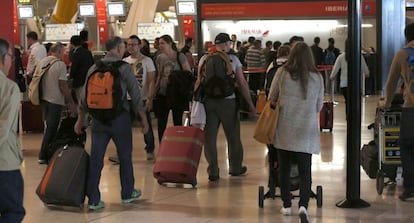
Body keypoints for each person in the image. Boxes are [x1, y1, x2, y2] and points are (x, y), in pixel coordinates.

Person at [74, 36, 149, 210]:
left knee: (96, 159)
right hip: (119, 119)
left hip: (98, 120)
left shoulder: (94, 67)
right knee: (124, 157)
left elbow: (83, 97)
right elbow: (135, 97)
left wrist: (80, 120)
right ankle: (127, 193)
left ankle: (93, 199)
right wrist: (144, 120)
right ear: (118, 48)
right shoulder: (124, 68)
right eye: (123, 46)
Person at [267, 42, 323, 223]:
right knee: (305, 170)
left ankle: (286, 205)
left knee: (283, 169)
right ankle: (303, 205)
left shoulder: (282, 73)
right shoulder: (317, 77)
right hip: (306, 131)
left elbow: (271, 98)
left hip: (285, 129)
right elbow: (318, 106)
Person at [197, 33, 256, 181]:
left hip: (208, 102)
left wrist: (195, 102)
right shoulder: (233, 59)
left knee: (209, 137)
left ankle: (213, 171)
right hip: (228, 102)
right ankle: (236, 168)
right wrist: (250, 104)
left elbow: (198, 82)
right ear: (227, 44)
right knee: (233, 136)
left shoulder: (204, 58)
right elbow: (242, 83)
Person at [379, 23, 414, 201]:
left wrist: (387, 102)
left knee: (407, 146)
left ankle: (409, 188)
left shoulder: (402, 54)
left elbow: (391, 82)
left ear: (406, 37)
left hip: (411, 107)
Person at [0, 38, 26, 223]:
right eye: (10, 56)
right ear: (3, 58)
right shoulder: (9, 88)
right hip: (4, 164)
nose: (11, 61)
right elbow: (3, 127)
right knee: (13, 211)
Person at [38, 42, 76, 164]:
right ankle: (44, 154)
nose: (64, 54)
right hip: (55, 100)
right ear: (59, 51)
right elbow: (63, 85)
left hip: (43, 99)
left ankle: (47, 152)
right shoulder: (60, 64)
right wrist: (70, 101)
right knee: (52, 128)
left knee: (48, 126)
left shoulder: (43, 62)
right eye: (63, 52)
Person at [123, 35, 156, 161]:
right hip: (127, 98)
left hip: (141, 98)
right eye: (129, 44)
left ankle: (150, 149)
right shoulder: (125, 61)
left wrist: (150, 98)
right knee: (124, 126)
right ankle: (124, 151)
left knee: (145, 124)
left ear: (139, 46)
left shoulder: (147, 61)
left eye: (134, 44)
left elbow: (151, 81)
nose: (131, 47)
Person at [154, 34, 192, 142]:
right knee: (161, 122)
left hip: (176, 93)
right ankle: (162, 145)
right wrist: (154, 92)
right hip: (163, 92)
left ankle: (178, 143)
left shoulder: (180, 56)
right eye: (159, 43)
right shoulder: (160, 58)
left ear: (169, 43)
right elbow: (159, 75)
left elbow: (188, 73)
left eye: (163, 43)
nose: (160, 46)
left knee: (177, 121)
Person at [329, 39, 369, 120]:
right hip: (355, 84)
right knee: (355, 102)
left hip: (344, 84)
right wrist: (367, 73)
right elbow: (365, 70)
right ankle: (355, 117)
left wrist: (332, 76)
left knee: (348, 101)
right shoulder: (358, 56)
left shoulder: (341, 57)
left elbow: (335, 70)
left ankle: (348, 117)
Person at [69, 35, 94, 109]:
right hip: (88, 79)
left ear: (72, 43)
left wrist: (71, 77)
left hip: (79, 81)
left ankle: (81, 117)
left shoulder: (76, 53)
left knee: (80, 100)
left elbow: (74, 67)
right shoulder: (88, 52)